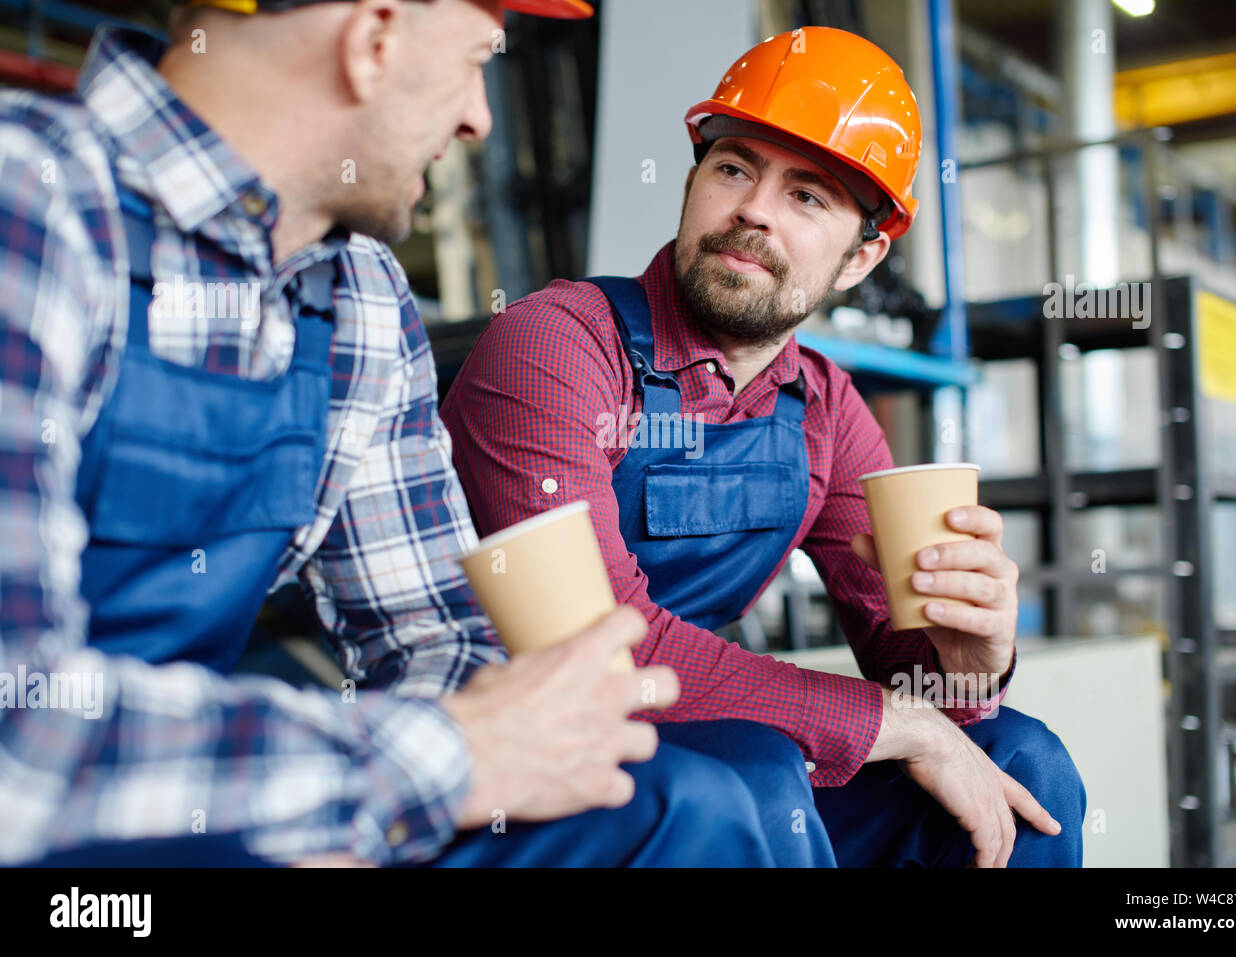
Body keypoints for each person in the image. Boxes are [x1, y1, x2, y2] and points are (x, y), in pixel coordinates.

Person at [0, 0, 777, 868]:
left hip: (226, 796)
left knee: (683, 809)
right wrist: (424, 764)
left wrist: (385, 796)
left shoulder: (359, 293)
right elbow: (17, 726)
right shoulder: (32, 206)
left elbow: (431, 629)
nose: (479, 115)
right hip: (57, 830)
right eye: (477, 56)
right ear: (373, 37)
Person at [441, 26, 1087, 867]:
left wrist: (963, 664)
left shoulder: (824, 405)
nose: (752, 208)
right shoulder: (555, 347)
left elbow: (919, 681)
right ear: (696, 178)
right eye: (735, 167)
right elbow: (597, 647)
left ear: (862, 259)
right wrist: (895, 723)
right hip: (521, 755)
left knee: (1020, 758)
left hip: (699, 747)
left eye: (808, 195)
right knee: (759, 770)